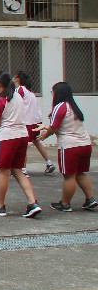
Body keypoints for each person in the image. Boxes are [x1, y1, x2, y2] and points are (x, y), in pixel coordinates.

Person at [0, 71, 42, 218]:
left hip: (7, 137)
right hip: (22, 135)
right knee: (18, 170)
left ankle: (0, 206)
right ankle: (32, 203)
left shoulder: (0, 99)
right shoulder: (18, 96)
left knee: (3, 172)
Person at [36, 82, 96, 212]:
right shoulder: (73, 107)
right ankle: (90, 199)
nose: (52, 95)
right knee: (80, 172)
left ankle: (65, 204)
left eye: (52, 92)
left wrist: (44, 135)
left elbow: (54, 128)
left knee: (69, 176)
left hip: (70, 146)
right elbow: (62, 125)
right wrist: (46, 127)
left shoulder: (60, 107)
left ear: (58, 93)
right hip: (85, 144)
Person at [13, 71, 56, 175]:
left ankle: (23, 169)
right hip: (36, 121)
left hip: (27, 121)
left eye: (14, 76)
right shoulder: (30, 92)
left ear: (17, 79)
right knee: (35, 140)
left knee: (22, 145)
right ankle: (49, 163)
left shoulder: (20, 89)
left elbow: (16, 103)